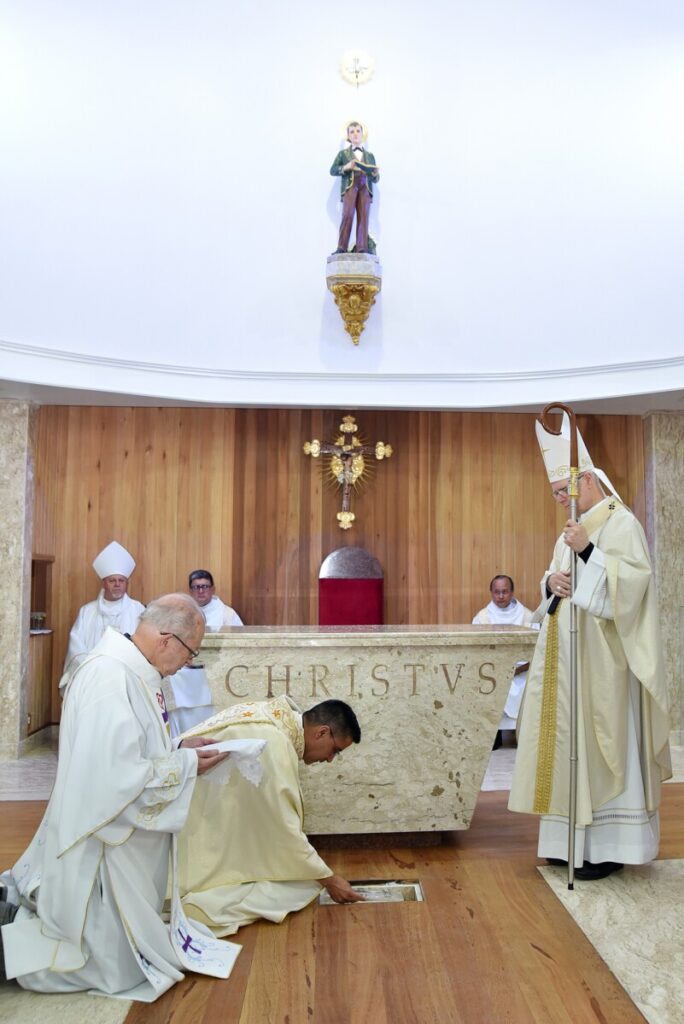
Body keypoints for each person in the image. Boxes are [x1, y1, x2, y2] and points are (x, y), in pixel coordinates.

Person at [0, 595, 237, 1000]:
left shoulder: (135, 671)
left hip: (116, 834)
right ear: (166, 640)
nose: (187, 663)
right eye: (190, 652)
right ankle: (11, 949)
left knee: (130, 950)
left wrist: (179, 745)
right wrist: (186, 765)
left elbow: (134, 748)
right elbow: (114, 778)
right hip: (101, 842)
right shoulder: (111, 678)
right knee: (113, 965)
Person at [508, 413, 672, 880]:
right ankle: (566, 843)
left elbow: (633, 587)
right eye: (557, 494)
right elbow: (555, 583)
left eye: (566, 492)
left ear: (589, 482)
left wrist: (586, 552)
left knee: (601, 748)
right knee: (564, 748)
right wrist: (551, 581)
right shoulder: (573, 528)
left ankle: (603, 848)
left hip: (604, 666)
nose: (562, 501)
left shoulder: (620, 524)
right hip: (566, 662)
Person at [177, 697, 364, 936]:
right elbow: (283, 829)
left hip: (191, 802)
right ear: (322, 733)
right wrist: (329, 879)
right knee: (294, 887)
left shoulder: (273, 718)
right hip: (182, 819)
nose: (329, 760)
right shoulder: (274, 742)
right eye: (335, 751)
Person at [472, 575, 536, 746]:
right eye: (497, 592)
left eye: (505, 592)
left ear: (512, 592)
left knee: (531, 685)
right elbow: (477, 650)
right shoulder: (482, 618)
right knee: (484, 686)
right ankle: (493, 736)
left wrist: (517, 669)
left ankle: (524, 735)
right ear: (491, 593)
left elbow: (537, 650)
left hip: (522, 671)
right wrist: (498, 669)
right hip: (492, 672)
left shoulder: (528, 617)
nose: (501, 596)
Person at [63, 540, 145, 672]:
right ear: (104, 583)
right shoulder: (87, 611)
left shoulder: (138, 610)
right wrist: (91, 668)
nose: (117, 584)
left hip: (126, 675)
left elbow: (144, 645)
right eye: (112, 580)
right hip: (92, 675)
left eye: (121, 580)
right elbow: (76, 648)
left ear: (126, 583)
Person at [330, 121, 379, 255]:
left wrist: (375, 174)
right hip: (350, 186)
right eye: (352, 131)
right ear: (348, 136)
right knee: (347, 214)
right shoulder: (343, 154)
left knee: (364, 216)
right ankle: (341, 247)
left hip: (365, 186)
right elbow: (332, 170)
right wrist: (346, 167)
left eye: (358, 131)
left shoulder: (369, 156)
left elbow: (376, 178)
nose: (355, 134)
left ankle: (362, 248)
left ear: (362, 134)